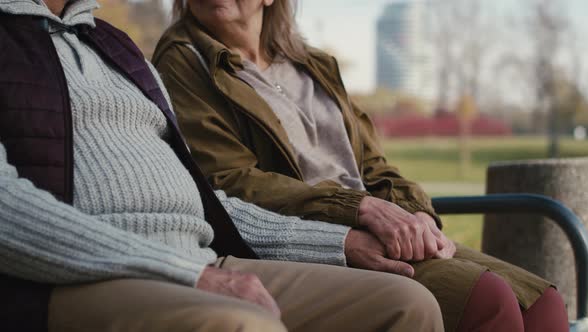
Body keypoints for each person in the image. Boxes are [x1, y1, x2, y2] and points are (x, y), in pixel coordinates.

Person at [0, 0, 446, 331]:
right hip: (80, 276)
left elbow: (202, 198)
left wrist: (336, 241)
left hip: (201, 259)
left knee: (407, 305)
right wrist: (184, 273)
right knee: (244, 325)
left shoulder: (116, 49)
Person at [152, 0, 570, 331]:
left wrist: (418, 216)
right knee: (487, 302)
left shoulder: (314, 65)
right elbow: (230, 180)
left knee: (542, 303)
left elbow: (373, 163)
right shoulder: (183, 61)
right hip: (313, 236)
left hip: (378, 223)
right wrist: (358, 210)